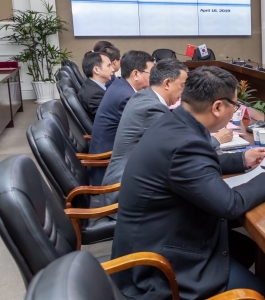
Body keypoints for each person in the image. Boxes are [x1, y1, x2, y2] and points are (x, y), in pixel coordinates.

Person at [111, 66, 265, 299]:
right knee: (256, 289)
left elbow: (194, 168)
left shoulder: (176, 122)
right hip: (158, 265)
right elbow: (229, 205)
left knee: (246, 249)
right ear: (217, 107)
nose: (235, 110)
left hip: (163, 232)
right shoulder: (186, 144)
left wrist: (241, 160)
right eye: (234, 105)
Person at [99, 59, 233, 210]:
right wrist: (216, 139)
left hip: (130, 182)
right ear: (167, 83)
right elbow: (183, 148)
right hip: (122, 192)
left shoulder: (144, 96)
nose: (185, 93)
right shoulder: (152, 108)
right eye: (183, 86)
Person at [88, 51, 154, 185]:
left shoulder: (120, 86)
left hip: (110, 158)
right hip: (108, 170)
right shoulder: (126, 97)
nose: (154, 77)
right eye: (151, 73)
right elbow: (146, 133)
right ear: (135, 74)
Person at [78, 52, 113, 122]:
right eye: (108, 66)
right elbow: (108, 120)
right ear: (96, 70)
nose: (112, 69)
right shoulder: (94, 95)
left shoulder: (90, 86)